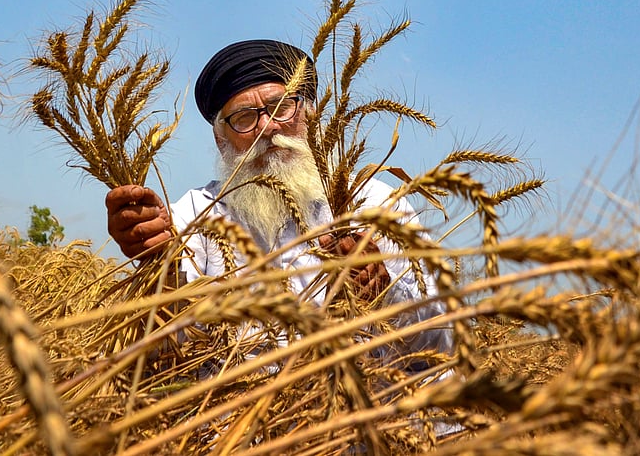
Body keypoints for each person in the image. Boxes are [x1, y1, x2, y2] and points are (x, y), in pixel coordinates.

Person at [105, 39, 452, 369]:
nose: (267, 127)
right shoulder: (197, 213)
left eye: (281, 106)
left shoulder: (376, 203)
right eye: (244, 117)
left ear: (309, 113)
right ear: (220, 138)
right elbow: (168, 346)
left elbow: (444, 338)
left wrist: (384, 295)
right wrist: (158, 266)